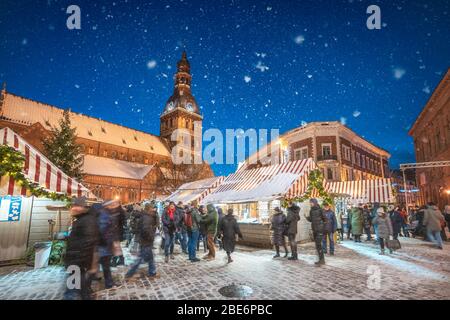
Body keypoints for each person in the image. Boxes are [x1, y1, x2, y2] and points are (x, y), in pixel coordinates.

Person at [64, 197, 99, 300]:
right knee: (80, 286)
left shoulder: (87, 220)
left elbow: (89, 240)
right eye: (73, 206)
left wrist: (82, 258)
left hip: (77, 258)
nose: (73, 208)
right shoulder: (81, 219)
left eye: (76, 206)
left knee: (72, 289)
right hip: (76, 258)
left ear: (82, 207)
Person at [125, 202, 159, 278]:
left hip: (145, 240)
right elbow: (145, 229)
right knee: (140, 259)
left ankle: (152, 272)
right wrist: (150, 237)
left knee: (150, 258)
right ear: (149, 208)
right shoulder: (147, 217)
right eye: (152, 208)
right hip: (146, 241)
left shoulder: (146, 216)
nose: (153, 209)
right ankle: (130, 273)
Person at [98, 201, 116, 288]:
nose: (114, 206)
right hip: (104, 245)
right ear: (107, 205)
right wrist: (107, 241)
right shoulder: (104, 215)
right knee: (105, 265)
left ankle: (109, 282)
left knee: (105, 265)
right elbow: (103, 230)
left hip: (104, 244)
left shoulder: (105, 213)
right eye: (112, 204)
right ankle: (109, 283)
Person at [103, 200, 126, 267]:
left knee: (115, 247)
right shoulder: (115, 211)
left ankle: (115, 261)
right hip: (114, 233)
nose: (113, 204)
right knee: (116, 247)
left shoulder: (119, 211)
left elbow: (119, 221)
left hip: (116, 233)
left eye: (115, 203)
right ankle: (120, 260)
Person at [307, 198, 327, 266]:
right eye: (310, 202)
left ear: (315, 202)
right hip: (314, 229)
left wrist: (321, 225)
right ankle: (320, 259)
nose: (310, 204)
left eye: (311, 202)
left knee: (318, 244)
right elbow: (311, 219)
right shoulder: (311, 210)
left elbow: (325, 219)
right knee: (317, 245)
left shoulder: (320, 210)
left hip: (319, 229)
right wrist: (307, 218)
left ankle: (322, 260)